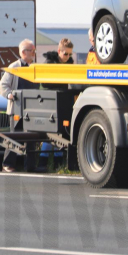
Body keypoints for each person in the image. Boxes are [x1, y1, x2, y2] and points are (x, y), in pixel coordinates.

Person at [0, 39, 38, 172]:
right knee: (14, 137)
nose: (34, 53)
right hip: (16, 108)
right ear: (23, 52)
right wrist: (9, 95)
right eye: (31, 50)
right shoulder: (14, 67)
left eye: (34, 50)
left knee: (31, 139)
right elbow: (3, 85)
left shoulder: (35, 67)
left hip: (31, 108)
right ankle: (7, 165)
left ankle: (30, 167)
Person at [37, 38, 75, 170]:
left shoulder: (69, 63)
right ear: (59, 51)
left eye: (70, 54)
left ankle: (59, 163)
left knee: (62, 133)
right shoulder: (50, 63)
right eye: (65, 54)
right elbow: (44, 83)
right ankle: (43, 161)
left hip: (63, 100)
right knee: (50, 133)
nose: (68, 57)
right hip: (50, 100)